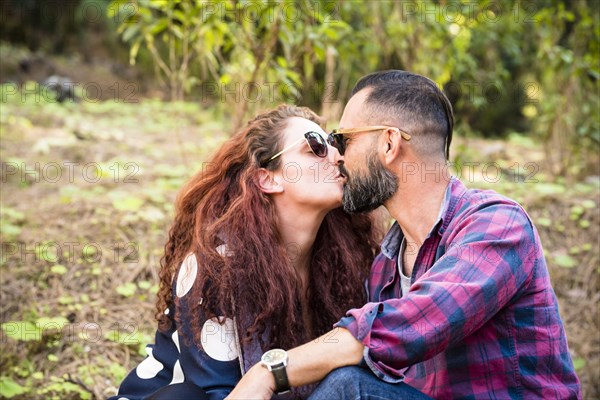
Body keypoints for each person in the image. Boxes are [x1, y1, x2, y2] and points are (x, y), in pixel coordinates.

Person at [227, 70, 582, 399]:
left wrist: (268, 372)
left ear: (389, 144)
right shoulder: (385, 265)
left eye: (344, 140)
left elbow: (412, 323)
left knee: (350, 389)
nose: (337, 156)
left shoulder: (497, 226)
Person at [109, 105, 380, 400]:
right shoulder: (216, 267)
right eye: (314, 147)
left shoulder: (342, 262)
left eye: (335, 144)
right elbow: (218, 392)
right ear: (269, 179)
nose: (337, 157)